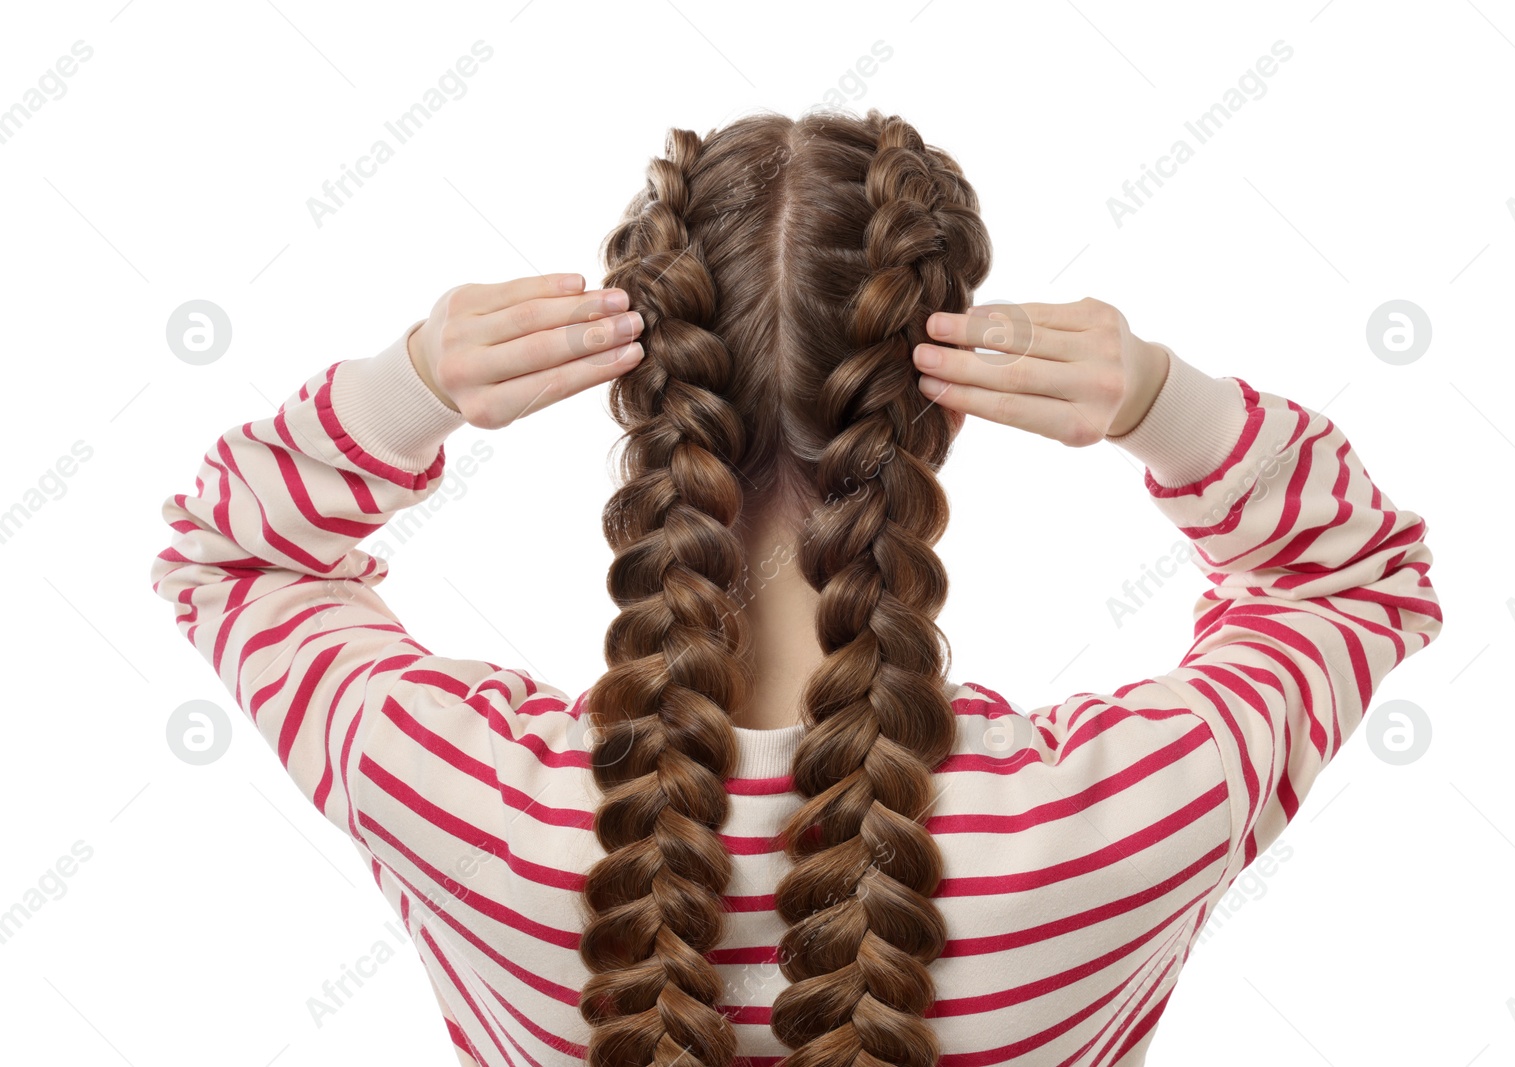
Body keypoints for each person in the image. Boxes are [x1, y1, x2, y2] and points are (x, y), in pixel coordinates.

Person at [150, 108, 1443, 1067]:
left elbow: (228, 556)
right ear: (939, 416)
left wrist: (413, 381)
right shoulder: (1111, 826)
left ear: (648, 405)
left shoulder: (476, 808)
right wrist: (1164, 402)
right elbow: (1357, 581)